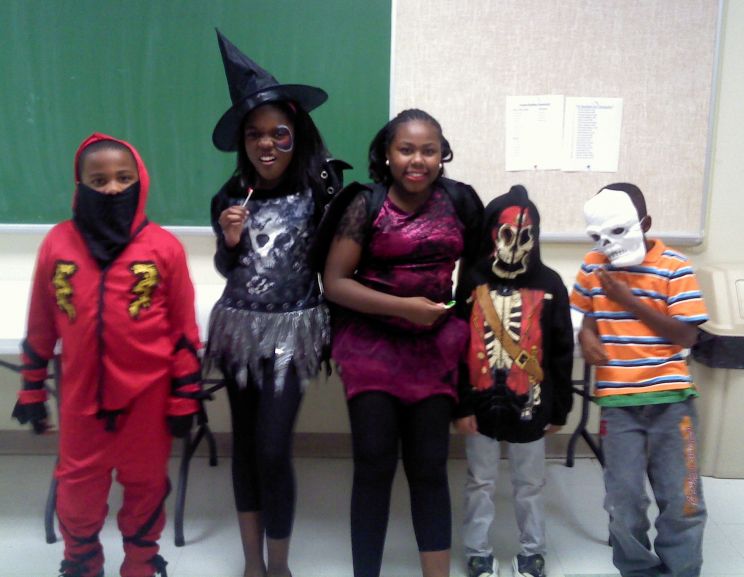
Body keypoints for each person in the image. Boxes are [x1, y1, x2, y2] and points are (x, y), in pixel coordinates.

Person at [12, 133, 203, 577]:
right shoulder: (58, 244)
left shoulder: (163, 247)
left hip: (148, 400)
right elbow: (41, 325)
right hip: (81, 401)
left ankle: (140, 563)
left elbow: (183, 332)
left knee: (147, 487)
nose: (113, 188)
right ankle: (82, 563)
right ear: (80, 185)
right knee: (76, 492)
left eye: (123, 177)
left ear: (140, 180)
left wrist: (185, 398)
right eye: (98, 180)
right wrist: (31, 390)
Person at [204, 30, 348, 577]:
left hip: (295, 332)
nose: (266, 145)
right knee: (244, 448)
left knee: (271, 448)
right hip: (239, 328)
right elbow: (228, 269)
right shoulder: (229, 197)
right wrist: (229, 241)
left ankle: (280, 565)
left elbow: (337, 265)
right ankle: (252, 563)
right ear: (243, 142)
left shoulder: (320, 191)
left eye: (278, 134)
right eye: (255, 135)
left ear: (295, 135)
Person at [322, 108, 484, 577]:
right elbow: (335, 283)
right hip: (370, 347)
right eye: (406, 149)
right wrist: (403, 307)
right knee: (374, 466)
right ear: (388, 155)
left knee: (429, 468)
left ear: (442, 154)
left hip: (434, 348)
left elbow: (476, 275)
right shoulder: (366, 203)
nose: (418, 160)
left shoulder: (460, 200)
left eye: (428, 150)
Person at [570, 183, 708, 577]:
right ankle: (636, 569)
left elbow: (687, 336)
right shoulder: (593, 265)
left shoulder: (674, 265)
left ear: (644, 223)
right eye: (597, 237)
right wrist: (587, 335)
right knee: (623, 500)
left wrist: (628, 299)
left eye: (617, 232)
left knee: (683, 497)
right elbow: (582, 314)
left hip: (672, 401)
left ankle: (681, 569)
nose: (607, 245)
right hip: (619, 405)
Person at [453, 185, 574, 577]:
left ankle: (532, 550)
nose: (515, 246)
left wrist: (560, 407)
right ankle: (477, 549)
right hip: (480, 401)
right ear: (492, 235)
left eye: (525, 236)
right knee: (480, 481)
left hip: (530, 403)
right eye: (507, 235)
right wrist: (461, 404)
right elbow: (456, 345)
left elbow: (561, 350)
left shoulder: (550, 284)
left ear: (535, 238)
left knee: (530, 483)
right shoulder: (472, 281)